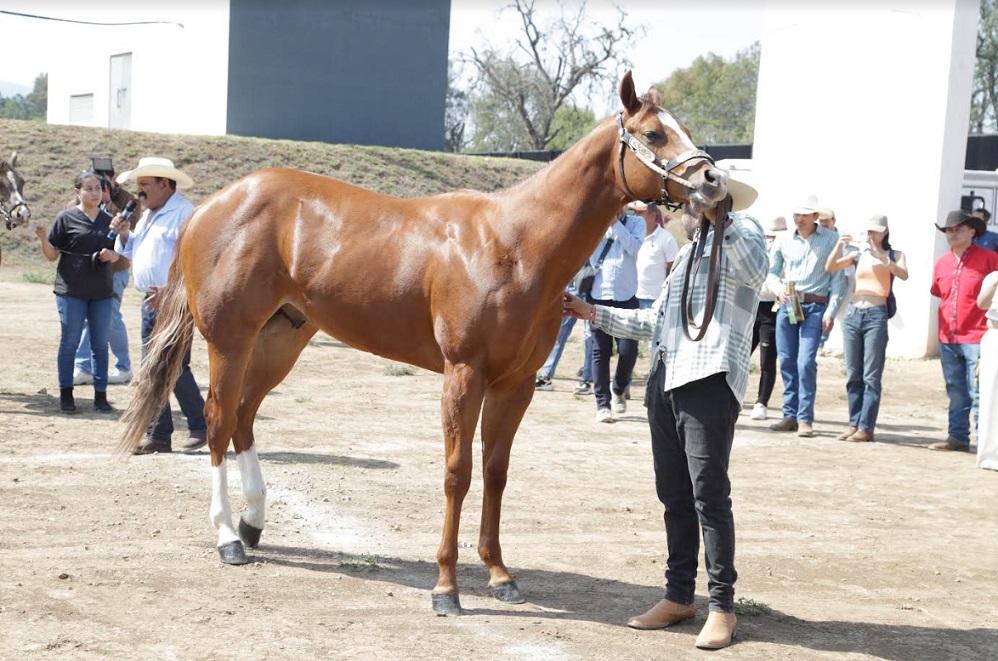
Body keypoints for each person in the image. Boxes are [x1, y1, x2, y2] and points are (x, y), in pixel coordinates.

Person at [563, 177, 766, 650]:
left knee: (709, 497)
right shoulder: (689, 254)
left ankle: (722, 606)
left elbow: (754, 268)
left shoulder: (744, 236)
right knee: (674, 495)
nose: (687, 206)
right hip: (666, 379)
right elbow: (656, 322)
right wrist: (590, 312)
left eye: (697, 199)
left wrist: (720, 212)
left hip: (709, 380)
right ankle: (679, 596)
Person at [114, 157, 207, 455]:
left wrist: (171, 290)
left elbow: (197, 263)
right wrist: (125, 234)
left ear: (164, 184)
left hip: (174, 299)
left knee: (173, 365)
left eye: (144, 185)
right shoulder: (149, 214)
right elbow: (135, 251)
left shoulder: (186, 214)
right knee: (155, 368)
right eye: (138, 186)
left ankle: (201, 425)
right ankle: (161, 433)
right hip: (151, 301)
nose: (138, 192)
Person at [34, 171, 125, 413]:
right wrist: (43, 239)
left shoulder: (110, 221)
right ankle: (66, 394)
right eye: (89, 189)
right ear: (78, 192)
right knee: (70, 342)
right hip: (71, 290)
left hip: (102, 291)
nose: (95, 193)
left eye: (98, 188)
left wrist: (114, 255)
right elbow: (52, 255)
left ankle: (101, 396)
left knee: (99, 344)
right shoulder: (65, 218)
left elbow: (121, 256)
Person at [766, 195, 846, 438]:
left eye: (804, 215)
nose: (798, 219)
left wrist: (831, 312)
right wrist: (777, 289)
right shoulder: (782, 240)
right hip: (788, 302)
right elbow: (772, 272)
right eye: (796, 214)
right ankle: (790, 415)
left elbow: (838, 281)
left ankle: (805, 418)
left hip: (815, 306)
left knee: (806, 362)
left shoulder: (832, 240)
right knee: (787, 360)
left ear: (815, 217)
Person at [825, 214, 908, 442]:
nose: (871, 235)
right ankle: (854, 423)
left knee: (871, 374)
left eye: (876, 231)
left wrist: (882, 258)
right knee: (853, 373)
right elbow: (830, 266)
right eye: (869, 231)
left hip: (876, 314)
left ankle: (866, 426)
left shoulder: (894, 254)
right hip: (854, 312)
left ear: (885, 233)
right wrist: (840, 244)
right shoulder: (859, 254)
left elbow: (903, 274)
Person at [928, 210, 998, 452]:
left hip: (977, 336)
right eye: (949, 229)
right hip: (948, 337)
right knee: (955, 390)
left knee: (978, 391)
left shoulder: (990, 259)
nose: (953, 233)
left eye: (958, 228)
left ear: (972, 231)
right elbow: (939, 294)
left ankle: (984, 443)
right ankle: (957, 437)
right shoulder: (942, 263)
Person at [72, 165, 139, 386]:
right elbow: (70, 215)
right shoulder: (85, 196)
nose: (97, 188)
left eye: (102, 182)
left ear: (113, 180)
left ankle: (123, 367)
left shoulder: (128, 200)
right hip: (88, 270)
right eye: (92, 184)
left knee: (110, 318)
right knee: (85, 319)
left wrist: (109, 202)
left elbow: (131, 231)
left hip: (116, 269)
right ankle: (83, 367)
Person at [585, 206, 645, 422]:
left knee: (629, 350)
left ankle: (619, 388)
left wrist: (615, 224)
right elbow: (587, 250)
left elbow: (635, 249)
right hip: (598, 295)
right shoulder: (595, 221)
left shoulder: (636, 223)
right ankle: (603, 404)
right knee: (600, 351)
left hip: (626, 296)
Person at [748, 216, 785, 420]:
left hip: (772, 307)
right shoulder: (757, 250)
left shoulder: (785, 253)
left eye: (774, 237)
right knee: (741, 354)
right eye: (768, 236)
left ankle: (762, 402)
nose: (770, 241)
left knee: (767, 359)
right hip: (752, 305)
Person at [976, 271, 998, 470]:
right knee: (991, 395)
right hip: (995, 337)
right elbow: (981, 303)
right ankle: (990, 455)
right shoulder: (993, 277)